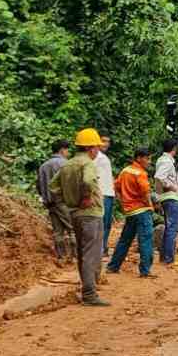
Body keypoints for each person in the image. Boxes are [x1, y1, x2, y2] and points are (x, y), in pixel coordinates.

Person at [49, 128, 109, 307]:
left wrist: (68, 201)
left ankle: (87, 289)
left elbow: (53, 187)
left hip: (75, 214)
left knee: (83, 254)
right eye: (97, 147)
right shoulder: (88, 164)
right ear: (92, 148)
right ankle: (89, 294)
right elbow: (89, 181)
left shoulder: (67, 164)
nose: (98, 150)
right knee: (92, 254)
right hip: (90, 214)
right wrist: (85, 198)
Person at [107, 147, 155, 278]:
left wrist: (123, 202)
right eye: (148, 158)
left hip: (130, 212)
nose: (149, 161)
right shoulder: (140, 173)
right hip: (142, 211)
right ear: (139, 158)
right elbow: (146, 193)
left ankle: (113, 266)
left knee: (124, 240)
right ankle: (145, 270)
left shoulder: (125, 171)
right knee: (145, 240)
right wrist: (150, 206)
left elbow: (116, 187)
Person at [36, 139, 74, 265]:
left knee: (58, 231)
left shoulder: (43, 166)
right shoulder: (65, 164)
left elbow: (39, 186)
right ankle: (74, 256)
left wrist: (45, 198)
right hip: (63, 201)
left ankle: (61, 257)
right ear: (62, 149)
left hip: (49, 202)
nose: (68, 152)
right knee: (72, 228)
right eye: (67, 149)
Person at [155, 138, 178, 269]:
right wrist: (173, 187)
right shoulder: (167, 162)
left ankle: (164, 257)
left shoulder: (162, 160)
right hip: (171, 198)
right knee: (173, 228)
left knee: (168, 227)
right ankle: (169, 259)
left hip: (165, 198)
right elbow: (160, 177)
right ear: (174, 149)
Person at [96, 134, 115, 255]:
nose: (106, 144)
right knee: (101, 222)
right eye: (103, 141)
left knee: (107, 223)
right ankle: (100, 248)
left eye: (108, 141)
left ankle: (103, 246)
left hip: (108, 193)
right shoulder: (96, 157)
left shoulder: (103, 158)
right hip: (101, 194)